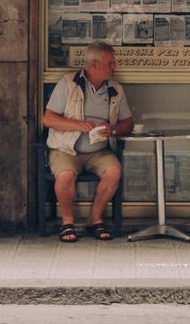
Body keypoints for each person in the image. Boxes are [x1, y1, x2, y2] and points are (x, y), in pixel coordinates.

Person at [44, 42, 133, 242]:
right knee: (65, 176)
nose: (114, 66)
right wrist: (78, 124)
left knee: (114, 171)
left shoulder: (116, 89)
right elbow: (48, 119)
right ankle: (67, 221)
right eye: (110, 63)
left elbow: (128, 122)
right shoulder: (68, 84)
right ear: (94, 65)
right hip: (67, 148)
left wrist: (113, 130)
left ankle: (95, 218)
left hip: (99, 151)